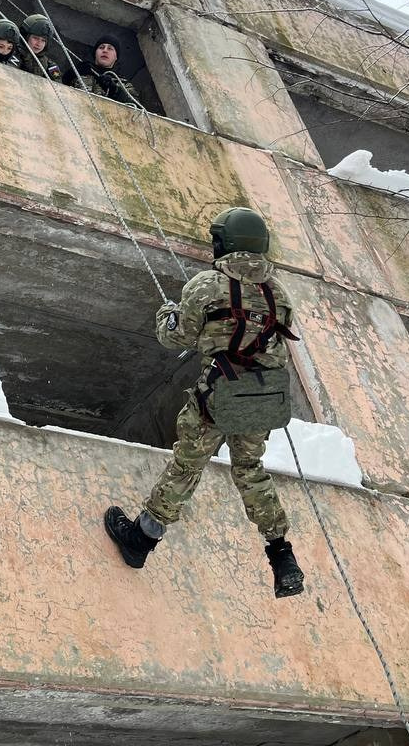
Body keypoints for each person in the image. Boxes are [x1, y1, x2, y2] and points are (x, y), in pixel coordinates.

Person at [103, 207, 306, 599]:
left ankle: (141, 539)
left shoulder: (205, 285)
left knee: (187, 466)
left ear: (224, 243)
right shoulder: (278, 293)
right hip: (263, 396)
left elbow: (177, 337)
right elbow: (276, 345)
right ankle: (281, 554)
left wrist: (168, 317)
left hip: (219, 393)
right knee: (250, 471)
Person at [73, 35, 143, 107]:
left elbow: (137, 107)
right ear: (95, 53)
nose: (105, 50)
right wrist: (71, 74)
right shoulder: (81, 72)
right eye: (101, 47)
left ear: (116, 57)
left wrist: (114, 90)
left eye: (110, 48)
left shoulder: (122, 82)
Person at [18, 14, 64, 82]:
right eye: (35, 38)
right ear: (25, 36)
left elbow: (58, 84)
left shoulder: (50, 65)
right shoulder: (12, 53)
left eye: (43, 40)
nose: (39, 44)